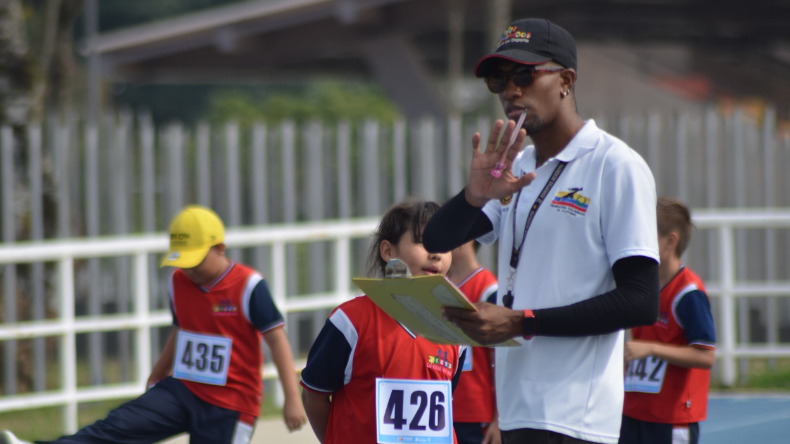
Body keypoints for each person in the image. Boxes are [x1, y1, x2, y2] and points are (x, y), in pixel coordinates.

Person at [422, 18, 660, 444]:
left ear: (566, 80)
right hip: (517, 411)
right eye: (499, 80)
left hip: (577, 420)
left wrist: (520, 322)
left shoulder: (615, 166)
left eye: (525, 75)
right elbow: (435, 242)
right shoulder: (518, 165)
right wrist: (473, 196)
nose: (511, 91)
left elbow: (640, 301)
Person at [2, 205, 306, 444]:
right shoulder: (178, 282)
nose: (188, 270)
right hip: (182, 389)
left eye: (196, 261)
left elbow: (277, 340)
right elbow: (181, 331)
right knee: (116, 427)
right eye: (182, 262)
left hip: (230, 405)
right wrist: (157, 374)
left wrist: (292, 399)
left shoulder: (250, 286)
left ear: (220, 248)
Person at [300, 199, 468, 444]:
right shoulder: (350, 322)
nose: (436, 254)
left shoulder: (457, 330)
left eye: (445, 244)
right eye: (424, 242)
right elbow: (314, 395)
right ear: (388, 251)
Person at [619, 197, 716, 444]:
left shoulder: (689, 294)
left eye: (644, 234)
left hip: (671, 418)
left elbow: (705, 356)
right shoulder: (641, 283)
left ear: (670, 241)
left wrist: (650, 349)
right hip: (631, 411)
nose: (636, 240)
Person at [447, 241, 500, 444]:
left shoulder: (487, 288)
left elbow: (500, 359)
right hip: (442, 408)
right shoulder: (439, 285)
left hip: (475, 414)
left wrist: (499, 419)